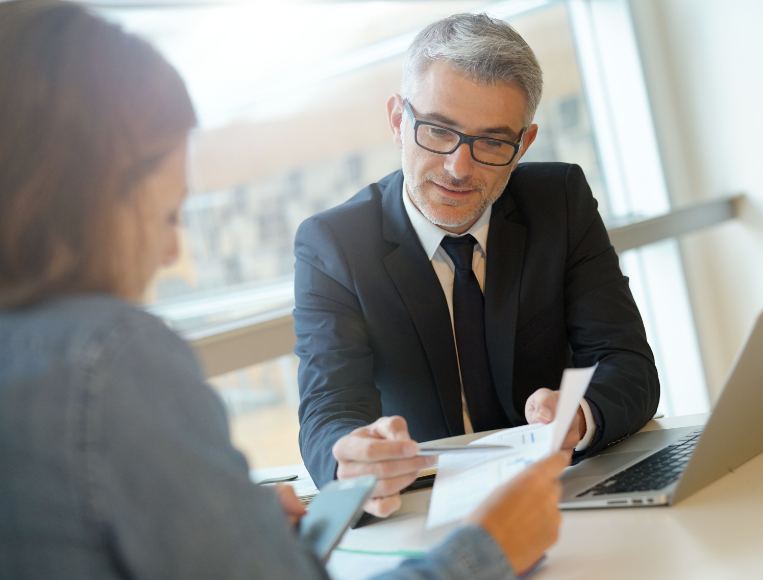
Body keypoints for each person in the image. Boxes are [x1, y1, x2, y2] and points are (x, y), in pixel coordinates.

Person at [0, 2, 567, 578]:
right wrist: (490, 548)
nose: (171, 254)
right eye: (168, 217)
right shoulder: (115, 359)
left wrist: (232, 535)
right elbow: (328, 409)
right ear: (92, 197)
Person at [295, 12, 661, 518]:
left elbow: (628, 364)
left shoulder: (560, 201)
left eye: (491, 142)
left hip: (564, 495)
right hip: (423, 515)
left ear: (523, 145)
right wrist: (351, 462)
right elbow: (328, 409)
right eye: (439, 131)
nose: (458, 168)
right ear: (399, 120)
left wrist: (579, 416)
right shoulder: (334, 244)